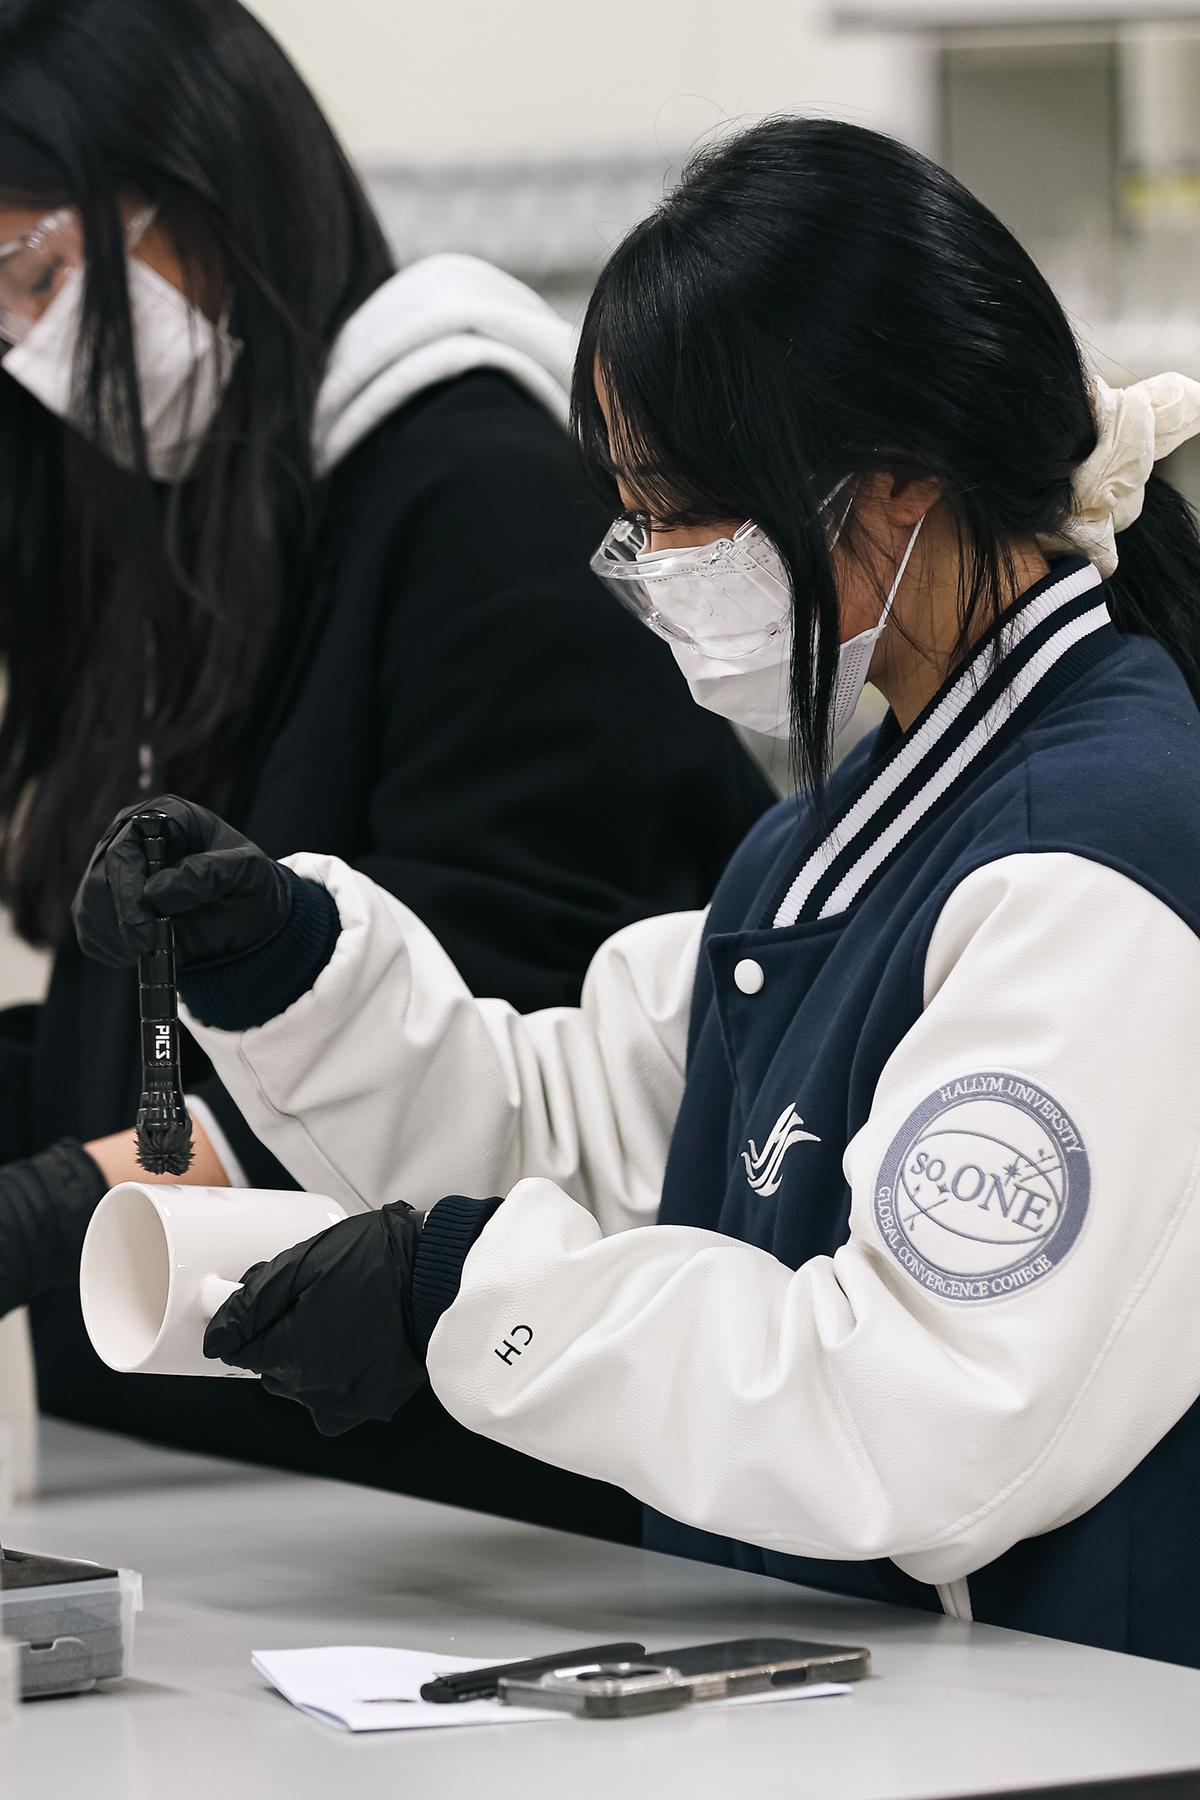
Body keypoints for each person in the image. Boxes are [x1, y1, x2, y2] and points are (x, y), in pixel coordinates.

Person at [75, 117, 1200, 1665]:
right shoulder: (844, 831)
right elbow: (595, 1140)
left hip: (1075, 1717)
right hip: (876, 1702)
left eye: (681, 506)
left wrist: (463, 1295)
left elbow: (930, 1406)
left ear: (895, 483)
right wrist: (290, 967)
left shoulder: (1095, 865)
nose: (653, 559)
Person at [0, 0, 772, 1538]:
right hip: (200, 1479)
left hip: (442, 1503)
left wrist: (85, 1193)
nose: (29, 347)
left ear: (210, 199)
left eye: (37, 275)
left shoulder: (476, 498)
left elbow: (520, 1055)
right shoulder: (199, 516)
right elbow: (132, 1017)